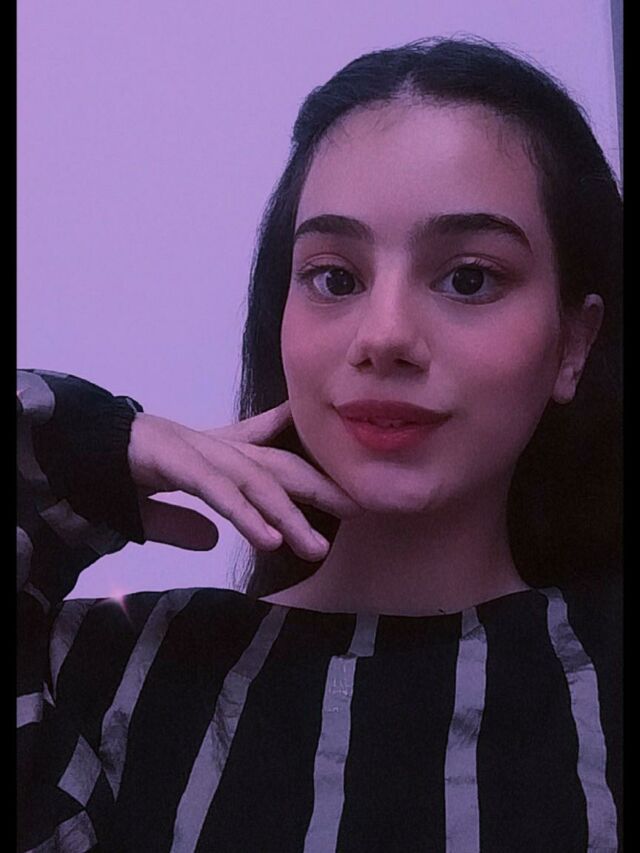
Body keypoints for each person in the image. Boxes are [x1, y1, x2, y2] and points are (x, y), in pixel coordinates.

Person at [17, 36, 622, 852]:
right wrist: (86, 450)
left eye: (469, 277)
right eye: (335, 277)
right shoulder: (115, 673)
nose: (384, 336)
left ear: (574, 343)